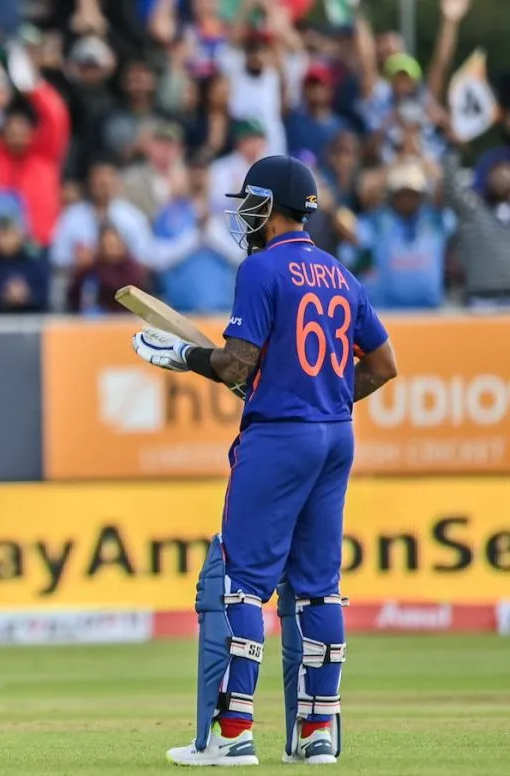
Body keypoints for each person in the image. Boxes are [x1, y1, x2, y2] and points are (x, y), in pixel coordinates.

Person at [130, 156, 399, 766]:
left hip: (279, 438)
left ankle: (233, 735)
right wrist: (319, 393)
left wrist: (182, 358)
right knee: (319, 591)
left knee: (243, 584)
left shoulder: (259, 268)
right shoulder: (340, 274)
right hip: (335, 436)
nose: (244, 214)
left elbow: (233, 363)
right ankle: (316, 733)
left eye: (250, 202)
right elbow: (383, 366)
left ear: (269, 206)